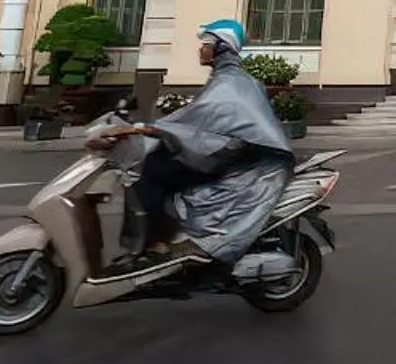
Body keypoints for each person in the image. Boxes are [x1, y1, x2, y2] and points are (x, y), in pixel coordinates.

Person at [91, 19, 295, 261]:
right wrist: (153, 129)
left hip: (225, 155)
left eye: (206, 44)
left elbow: (196, 119)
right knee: (158, 158)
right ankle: (163, 237)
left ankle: (156, 243)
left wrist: (150, 128)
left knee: (151, 172)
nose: (201, 49)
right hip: (225, 150)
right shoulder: (229, 78)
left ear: (221, 47)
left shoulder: (229, 82)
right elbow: (199, 119)